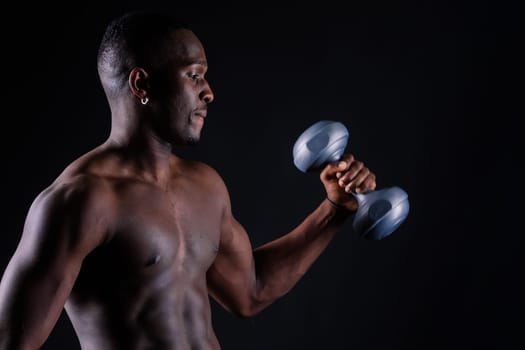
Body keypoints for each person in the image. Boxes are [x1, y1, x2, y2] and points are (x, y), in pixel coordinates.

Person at [0, 10, 376, 350]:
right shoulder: (80, 201)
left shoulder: (205, 186)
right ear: (141, 85)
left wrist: (334, 211)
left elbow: (251, 291)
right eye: (193, 75)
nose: (209, 92)